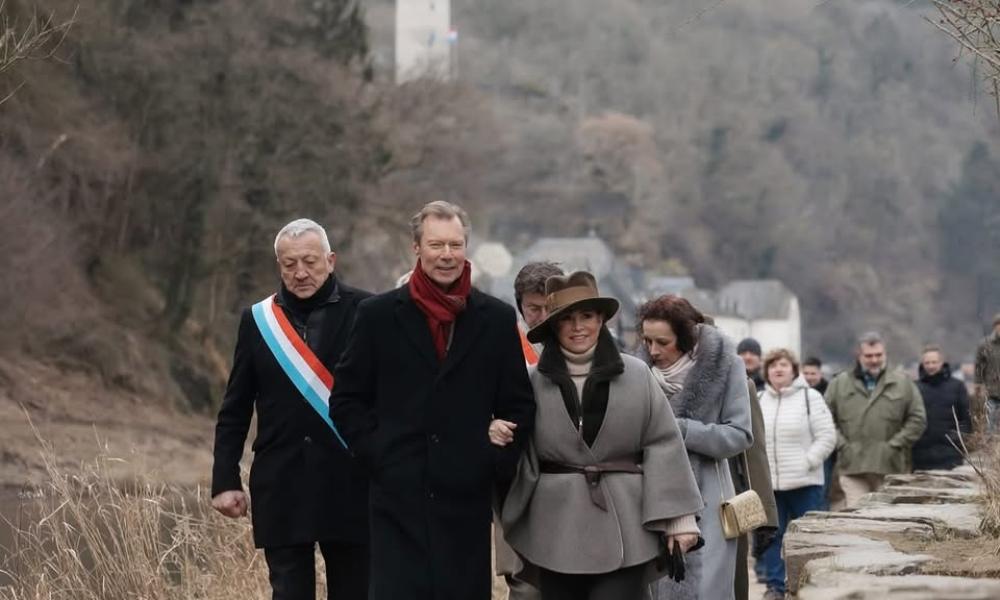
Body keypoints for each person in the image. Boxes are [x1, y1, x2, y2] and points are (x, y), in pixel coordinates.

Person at [329, 201, 536, 600]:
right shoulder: (377, 315)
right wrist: (378, 454)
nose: (446, 255)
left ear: (466, 248)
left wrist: (490, 462)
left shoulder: (494, 319)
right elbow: (347, 400)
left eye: (455, 245)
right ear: (416, 248)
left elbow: (519, 407)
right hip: (396, 498)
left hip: (465, 501)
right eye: (436, 244)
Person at [500, 272, 703, 600]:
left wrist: (678, 518)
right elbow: (517, 451)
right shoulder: (530, 383)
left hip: (624, 524)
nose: (578, 326)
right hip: (553, 527)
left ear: (601, 320)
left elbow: (662, 442)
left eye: (587, 316)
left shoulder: (637, 376)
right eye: (566, 318)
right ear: (553, 326)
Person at [211, 218, 371, 600]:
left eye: (310, 262)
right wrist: (225, 479)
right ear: (279, 265)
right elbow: (235, 407)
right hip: (281, 482)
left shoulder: (368, 310)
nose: (300, 273)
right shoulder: (258, 320)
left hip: (352, 482)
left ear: (331, 260)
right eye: (289, 264)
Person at [641, 295, 754, 600]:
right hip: (651, 502)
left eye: (662, 342)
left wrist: (682, 429)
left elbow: (740, 435)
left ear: (686, 337)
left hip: (710, 501)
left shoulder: (727, 365)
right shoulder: (636, 373)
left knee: (707, 589)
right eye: (647, 340)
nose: (653, 351)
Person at [493, 262, 565, 600]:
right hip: (518, 482)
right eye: (532, 308)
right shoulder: (502, 345)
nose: (540, 316)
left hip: (567, 485)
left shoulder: (581, 347)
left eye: (548, 308)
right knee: (525, 587)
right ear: (520, 306)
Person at [757, 349, 836, 599]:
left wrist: (807, 462)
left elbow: (827, 437)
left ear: (793, 370)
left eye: (783, 365)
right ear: (766, 371)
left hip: (805, 482)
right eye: (772, 366)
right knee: (771, 536)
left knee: (807, 536)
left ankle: (807, 585)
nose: (778, 369)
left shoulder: (810, 398)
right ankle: (775, 587)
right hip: (770, 485)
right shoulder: (758, 399)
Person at [825, 332, 927, 508]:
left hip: (891, 467)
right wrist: (842, 444)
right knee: (856, 516)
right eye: (869, 356)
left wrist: (895, 444)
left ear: (885, 354)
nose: (874, 360)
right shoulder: (839, 384)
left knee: (890, 519)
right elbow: (825, 419)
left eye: (878, 355)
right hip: (852, 467)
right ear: (859, 355)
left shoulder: (902, 383)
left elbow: (917, 419)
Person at [913, 345, 972, 470]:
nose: (931, 366)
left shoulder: (957, 386)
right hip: (920, 456)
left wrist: (957, 440)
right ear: (922, 364)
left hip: (951, 455)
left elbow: (966, 419)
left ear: (942, 363)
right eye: (927, 362)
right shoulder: (914, 388)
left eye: (934, 362)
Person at [974, 313, 1000, 434]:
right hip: (991, 389)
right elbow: (979, 365)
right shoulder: (985, 344)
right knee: (991, 423)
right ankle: (990, 446)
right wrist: (978, 383)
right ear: (995, 326)